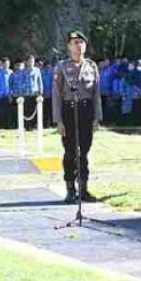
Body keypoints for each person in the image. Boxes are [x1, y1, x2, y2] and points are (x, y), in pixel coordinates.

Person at [52, 30, 102, 204]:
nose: (78, 46)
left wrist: (97, 117)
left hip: (86, 111)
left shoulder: (91, 66)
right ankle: (70, 189)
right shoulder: (62, 67)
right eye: (74, 43)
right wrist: (58, 120)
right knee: (70, 152)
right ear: (68, 46)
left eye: (81, 42)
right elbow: (57, 95)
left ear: (85, 46)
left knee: (84, 153)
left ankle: (84, 189)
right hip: (68, 112)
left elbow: (96, 93)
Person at [23, 55, 43, 130]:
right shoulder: (24, 71)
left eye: (32, 61)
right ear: (27, 62)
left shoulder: (37, 70)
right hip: (26, 94)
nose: (31, 63)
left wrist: (40, 92)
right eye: (30, 61)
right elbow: (22, 82)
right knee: (27, 111)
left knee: (35, 110)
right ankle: (28, 126)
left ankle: (35, 125)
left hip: (35, 93)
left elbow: (39, 81)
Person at [0, 58, 12, 129]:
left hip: (9, 96)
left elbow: (13, 84)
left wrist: (11, 94)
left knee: (9, 112)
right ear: (2, 64)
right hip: (0, 96)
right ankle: (1, 126)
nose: (7, 65)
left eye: (8, 63)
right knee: (1, 112)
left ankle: (9, 126)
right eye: (5, 63)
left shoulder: (11, 72)